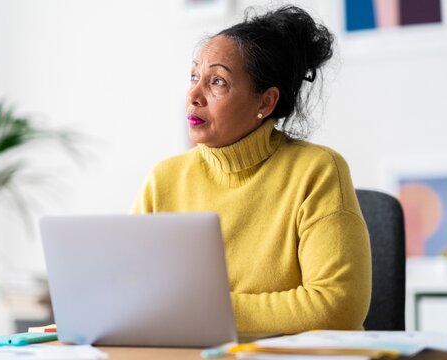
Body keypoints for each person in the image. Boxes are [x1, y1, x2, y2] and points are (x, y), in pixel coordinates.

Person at [132, 5, 371, 334]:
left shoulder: (317, 171)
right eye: (193, 76)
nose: (193, 94)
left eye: (217, 81)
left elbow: (337, 305)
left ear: (265, 102)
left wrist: (201, 310)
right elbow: (129, 293)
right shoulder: (164, 179)